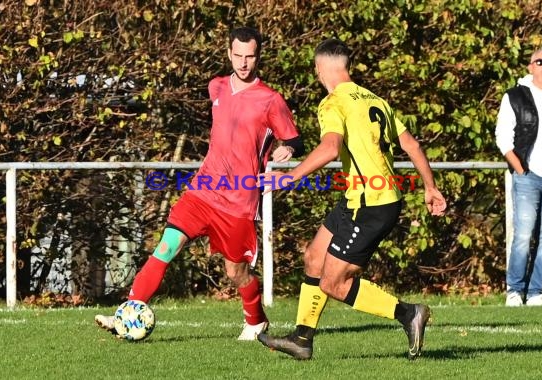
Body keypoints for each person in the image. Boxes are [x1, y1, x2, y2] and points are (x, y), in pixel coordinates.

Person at [95, 26, 304, 340]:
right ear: (228, 53)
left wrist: (287, 150)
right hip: (203, 191)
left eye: (250, 56)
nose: (244, 63)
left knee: (236, 272)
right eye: (238, 55)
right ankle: (129, 312)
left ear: (258, 56)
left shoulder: (270, 100)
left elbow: (295, 141)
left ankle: (256, 320)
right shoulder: (216, 87)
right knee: (166, 246)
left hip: (240, 199)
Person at [256, 38, 446, 360]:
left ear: (319, 69)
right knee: (314, 256)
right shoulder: (375, 99)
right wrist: (430, 187)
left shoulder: (333, 103)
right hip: (362, 197)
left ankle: (408, 313)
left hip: (370, 204)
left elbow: (330, 148)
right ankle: (302, 339)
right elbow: (412, 145)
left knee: (333, 283)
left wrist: (288, 177)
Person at [495, 48, 542, 307]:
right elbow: (503, 138)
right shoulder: (515, 96)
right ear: (530, 66)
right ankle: (515, 291)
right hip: (528, 176)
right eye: (540, 62)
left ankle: (536, 292)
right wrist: (521, 169)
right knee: (524, 235)